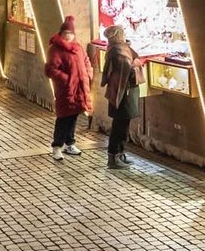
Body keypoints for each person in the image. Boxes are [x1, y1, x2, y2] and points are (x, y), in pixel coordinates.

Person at [45, 16, 92, 159]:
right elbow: (51, 69)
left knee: (74, 115)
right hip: (65, 89)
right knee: (63, 117)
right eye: (66, 33)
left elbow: (86, 61)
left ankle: (69, 143)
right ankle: (57, 146)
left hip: (79, 88)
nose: (68, 36)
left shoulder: (78, 47)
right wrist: (67, 80)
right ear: (61, 33)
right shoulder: (55, 49)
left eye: (71, 34)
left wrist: (88, 74)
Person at [101, 24, 141, 169]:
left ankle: (120, 153)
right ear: (119, 35)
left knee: (123, 124)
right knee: (120, 124)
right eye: (123, 32)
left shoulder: (118, 48)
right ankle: (113, 156)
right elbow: (127, 67)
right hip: (122, 92)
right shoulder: (118, 50)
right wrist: (135, 63)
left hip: (124, 91)